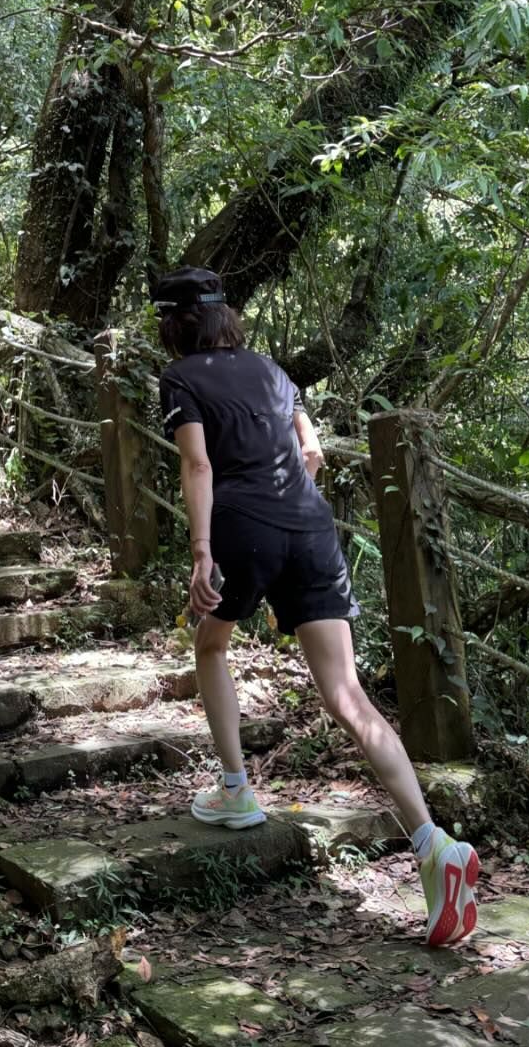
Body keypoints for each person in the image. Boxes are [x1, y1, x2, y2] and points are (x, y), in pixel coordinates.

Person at [156, 265, 478, 948]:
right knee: (348, 694)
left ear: (175, 326)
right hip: (309, 526)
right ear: (225, 317)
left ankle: (237, 788)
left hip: (240, 526)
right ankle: (432, 842)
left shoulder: (182, 379)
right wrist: (287, 522)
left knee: (211, 645)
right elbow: (313, 452)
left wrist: (203, 551)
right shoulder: (272, 371)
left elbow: (199, 467)